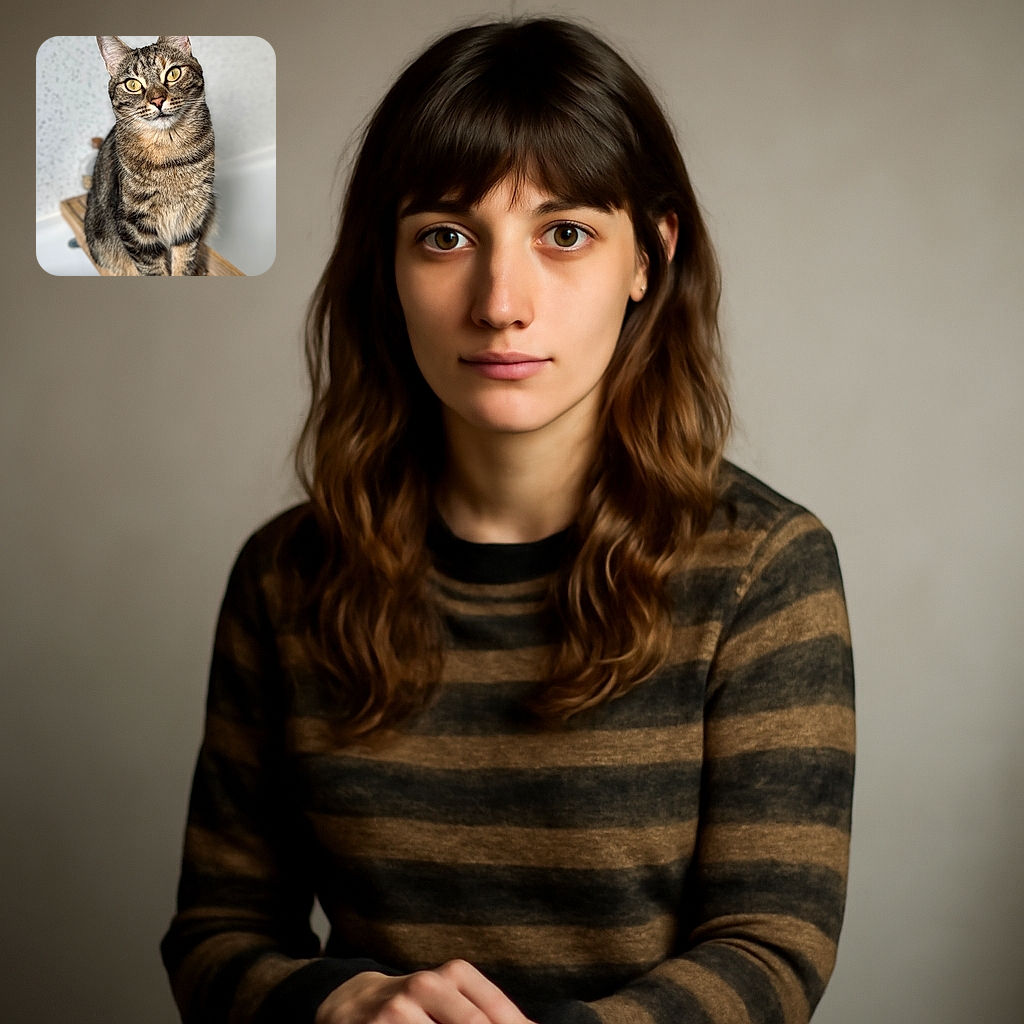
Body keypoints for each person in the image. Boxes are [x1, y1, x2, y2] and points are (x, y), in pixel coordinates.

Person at [161, 18, 854, 1024]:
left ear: (648, 256)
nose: (499, 301)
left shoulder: (765, 570)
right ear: (386, 266)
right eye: (445, 236)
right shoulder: (285, 577)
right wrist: (343, 1005)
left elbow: (773, 947)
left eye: (563, 233)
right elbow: (215, 931)